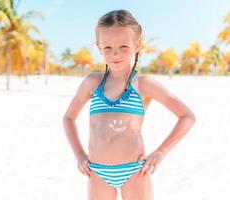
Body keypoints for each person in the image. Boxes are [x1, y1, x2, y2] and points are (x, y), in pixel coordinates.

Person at [62, 9, 196, 200]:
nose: (115, 54)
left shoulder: (143, 84)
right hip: (97, 172)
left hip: (134, 171)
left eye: (123, 46)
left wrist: (160, 152)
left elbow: (187, 117)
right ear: (99, 47)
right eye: (107, 48)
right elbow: (68, 118)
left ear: (137, 45)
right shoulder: (92, 83)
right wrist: (79, 155)